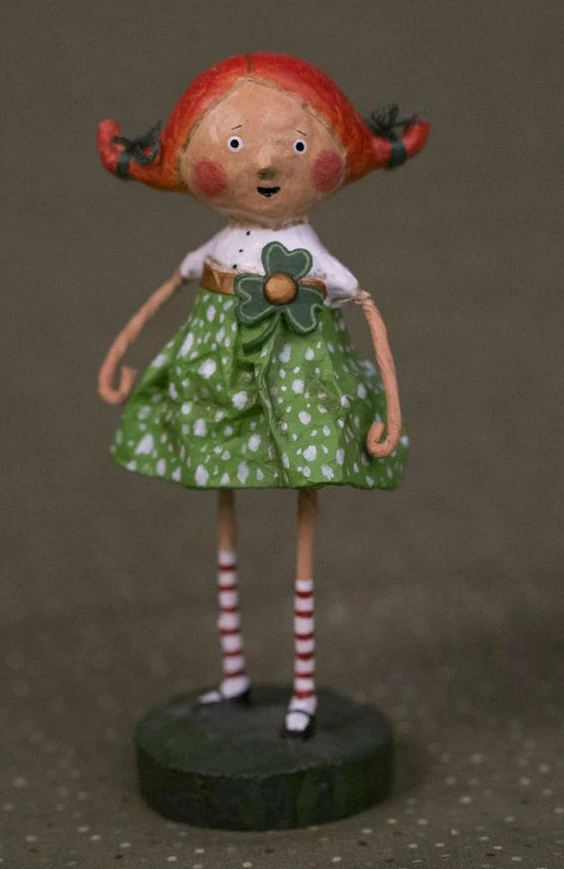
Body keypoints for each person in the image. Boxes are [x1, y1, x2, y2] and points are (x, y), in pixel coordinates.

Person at [96, 52, 429, 738]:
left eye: (299, 146)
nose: (269, 163)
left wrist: (387, 413)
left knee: (303, 515)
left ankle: (303, 687)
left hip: (302, 391)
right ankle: (234, 673)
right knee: (227, 516)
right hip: (216, 390)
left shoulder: (315, 262)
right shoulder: (215, 254)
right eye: (235, 145)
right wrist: (121, 354)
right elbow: (169, 290)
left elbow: (366, 310)